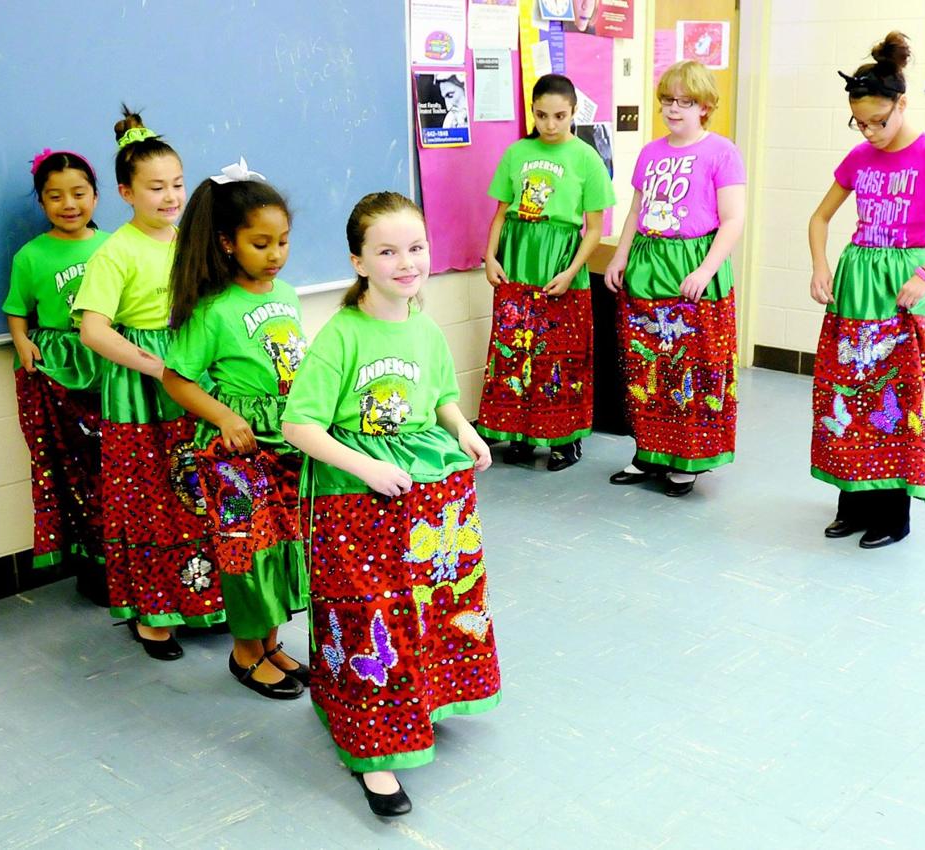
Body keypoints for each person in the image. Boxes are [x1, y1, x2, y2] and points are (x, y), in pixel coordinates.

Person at [282, 192, 500, 818]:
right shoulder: (340, 337)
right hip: (358, 502)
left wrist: (463, 429)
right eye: (387, 251)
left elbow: (438, 397)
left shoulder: (424, 327)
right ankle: (372, 745)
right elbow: (302, 426)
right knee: (368, 613)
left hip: (427, 502)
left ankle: (424, 697)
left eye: (416, 248)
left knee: (435, 600)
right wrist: (367, 467)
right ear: (358, 261)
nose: (406, 262)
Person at [808, 32, 925, 548]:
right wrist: (820, 265)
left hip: (903, 289)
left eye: (878, 121)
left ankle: (893, 514)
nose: (869, 132)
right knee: (846, 394)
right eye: (859, 122)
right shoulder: (860, 158)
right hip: (855, 287)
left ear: (901, 104)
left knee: (895, 399)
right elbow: (820, 218)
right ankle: (853, 502)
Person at [74, 106, 225, 658]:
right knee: (149, 499)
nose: (169, 196)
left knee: (200, 492)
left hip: (193, 373)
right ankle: (152, 615)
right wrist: (159, 366)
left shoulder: (190, 240)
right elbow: (94, 331)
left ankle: (205, 598)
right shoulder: (114, 251)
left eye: (178, 185)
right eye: (155, 187)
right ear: (125, 192)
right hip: (142, 388)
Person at [162, 159, 310, 698]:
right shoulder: (213, 310)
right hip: (237, 450)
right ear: (227, 243)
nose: (275, 255)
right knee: (247, 550)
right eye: (261, 243)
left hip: (285, 441)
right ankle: (245, 653)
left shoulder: (287, 295)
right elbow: (175, 379)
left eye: (283, 242)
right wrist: (224, 417)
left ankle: (271, 642)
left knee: (284, 546)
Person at [604, 60, 746, 497]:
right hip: (648, 268)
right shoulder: (650, 152)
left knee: (692, 367)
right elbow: (636, 210)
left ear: (705, 107)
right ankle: (649, 451)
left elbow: (733, 219)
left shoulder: (722, 151)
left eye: (686, 102)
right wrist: (620, 257)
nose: (674, 109)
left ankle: (686, 458)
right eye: (668, 100)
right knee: (646, 365)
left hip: (691, 268)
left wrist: (706, 269)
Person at [478, 73, 616, 471]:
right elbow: (501, 213)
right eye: (542, 115)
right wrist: (490, 256)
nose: (550, 124)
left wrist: (573, 271)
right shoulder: (517, 152)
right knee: (515, 349)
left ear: (574, 112)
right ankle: (519, 435)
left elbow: (594, 228)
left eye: (559, 116)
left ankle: (563, 439)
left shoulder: (587, 158)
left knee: (560, 353)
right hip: (518, 256)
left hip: (560, 261)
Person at [4, 149, 110, 601]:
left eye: (79, 193)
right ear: (42, 203)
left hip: (108, 365)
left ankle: (126, 561)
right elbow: (15, 310)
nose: (69, 204)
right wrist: (21, 340)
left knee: (117, 468)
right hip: (60, 372)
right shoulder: (31, 255)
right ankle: (92, 568)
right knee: (77, 471)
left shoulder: (113, 246)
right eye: (55, 196)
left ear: (97, 196)